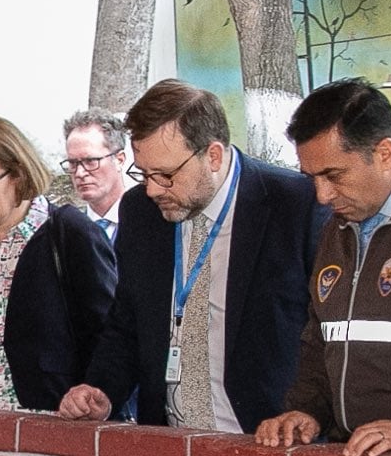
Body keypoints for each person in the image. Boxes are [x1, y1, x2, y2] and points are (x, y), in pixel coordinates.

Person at [58, 79, 326, 433]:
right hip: (172, 444)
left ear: (212, 155)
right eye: (144, 173)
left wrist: (311, 412)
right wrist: (102, 389)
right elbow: (128, 322)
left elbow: (323, 334)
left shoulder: (295, 205)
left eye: (166, 175)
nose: (152, 189)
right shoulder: (140, 211)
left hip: (267, 440)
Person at [256, 79, 391, 456]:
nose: (322, 196)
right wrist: (307, 409)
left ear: (385, 152)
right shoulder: (339, 225)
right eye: (312, 178)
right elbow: (321, 338)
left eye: (334, 175)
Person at [0, 115, 116, 411]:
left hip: (51, 416)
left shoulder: (72, 232)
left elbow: (107, 334)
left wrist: (91, 400)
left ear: (18, 175)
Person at [61, 108, 129, 246]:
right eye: (73, 163)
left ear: (119, 160)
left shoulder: (148, 223)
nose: (80, 173)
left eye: (91, 161)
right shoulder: (65, 235)